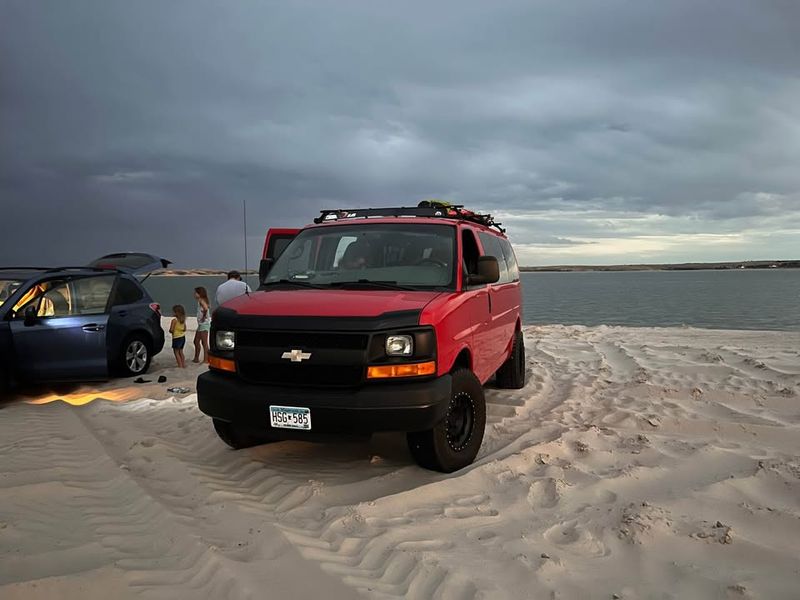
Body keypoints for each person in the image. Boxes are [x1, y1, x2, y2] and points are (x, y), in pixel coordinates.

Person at [192, 286, 211, 363]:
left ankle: (206, 359)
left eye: (195, 293)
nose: (194, 294)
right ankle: (196, 358)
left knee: (204, 342)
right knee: (196, 341)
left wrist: (203, 316)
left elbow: (206, 308)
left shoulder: (201, 300)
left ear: (199, 293)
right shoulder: (201, 300)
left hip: (204, 324)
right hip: (200, 324)